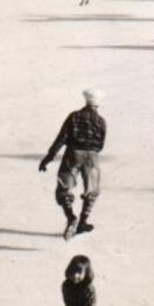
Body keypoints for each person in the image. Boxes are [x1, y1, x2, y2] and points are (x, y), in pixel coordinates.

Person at [40, 89, 108, 240]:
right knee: (92, 190)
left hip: (73, 153)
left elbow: (61, 138)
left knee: (65, 187)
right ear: (98, 105)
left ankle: (71, 217)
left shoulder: (74, 116)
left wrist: (49, 158)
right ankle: (83, 221)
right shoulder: (101, 121)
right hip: (92, 156)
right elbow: (101, 144)